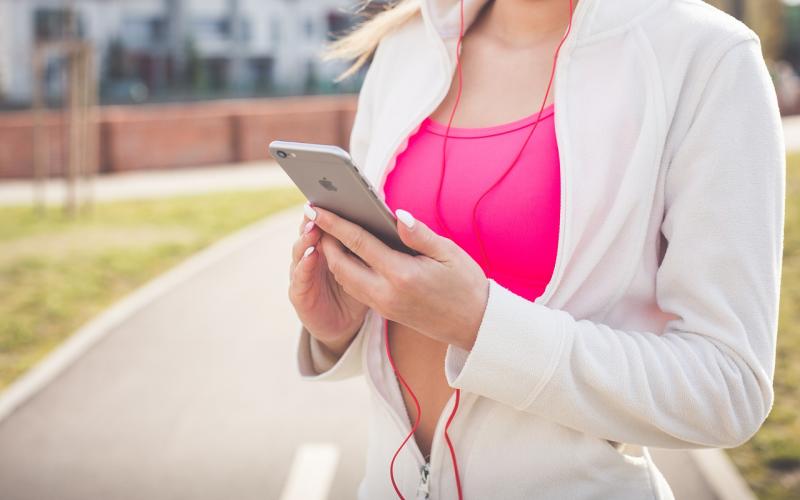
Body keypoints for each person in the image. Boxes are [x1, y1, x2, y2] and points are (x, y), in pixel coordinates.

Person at [287, 0, 785, 498]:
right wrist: (341, 331)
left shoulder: (707, 56)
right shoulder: (409, 42)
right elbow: (405, 316)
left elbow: (728, 389)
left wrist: (482, 325)